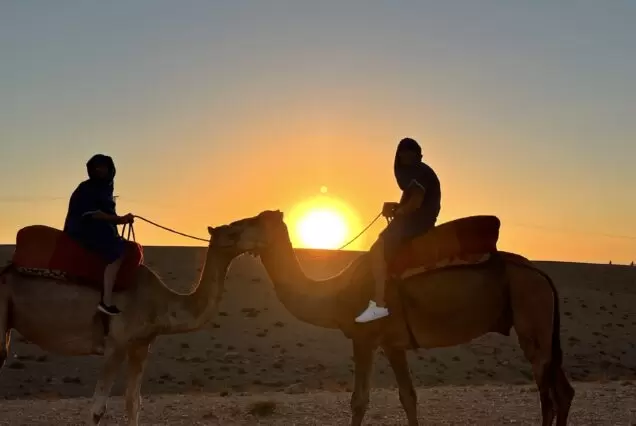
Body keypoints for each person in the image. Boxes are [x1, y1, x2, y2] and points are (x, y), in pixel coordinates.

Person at [354, 138, 441, 323]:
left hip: (418, 222)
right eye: (403, 153)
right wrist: (396, 208)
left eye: (409, 153)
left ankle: (379, 304)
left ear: (415, 155)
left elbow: (416, 202)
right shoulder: (418, 174)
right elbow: (412, 202)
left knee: (379, 249)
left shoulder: (419, 172)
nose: (404, 157)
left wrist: (399, 211)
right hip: (417, 220)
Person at [63, 154, 134, 316]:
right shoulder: (87, 188)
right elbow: (94, 214)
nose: (100, 170)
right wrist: (120, 219)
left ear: (110, 169)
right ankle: (106, 301)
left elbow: (106, 215)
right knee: (117, 253)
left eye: (103, 167)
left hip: (98, 229)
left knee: (126, 247)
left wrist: (121, 220)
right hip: (83, 229)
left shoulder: (105, 189)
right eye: (97, 167)